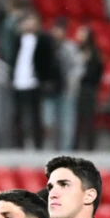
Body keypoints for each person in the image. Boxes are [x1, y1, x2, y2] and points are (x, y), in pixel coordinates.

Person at [8, 12, 56, 150]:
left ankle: (37, 145)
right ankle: (18, 145)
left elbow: (48, 62)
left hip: (34, 82)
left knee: (35, 116)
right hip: (18, 81)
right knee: (17, 115)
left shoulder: (44, 40)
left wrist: (43, 78)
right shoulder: (17, 40)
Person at [46, 19, 79, 151]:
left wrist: (72, 82)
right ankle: (49, 149)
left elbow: (77, 67)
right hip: (50, 91)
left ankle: (66, 150)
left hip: (66, 91)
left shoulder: (70, 48)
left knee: (67, 124)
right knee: (49, 122)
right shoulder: (47, 46)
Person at [73, 25, 102, 151]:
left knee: (88, 117)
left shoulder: (94, 52)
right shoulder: (77, 50)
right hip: (77, 88)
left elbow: (98, 70)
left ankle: (90, 146)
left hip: (88, 88)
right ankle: (76, 145)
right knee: (76, 118)